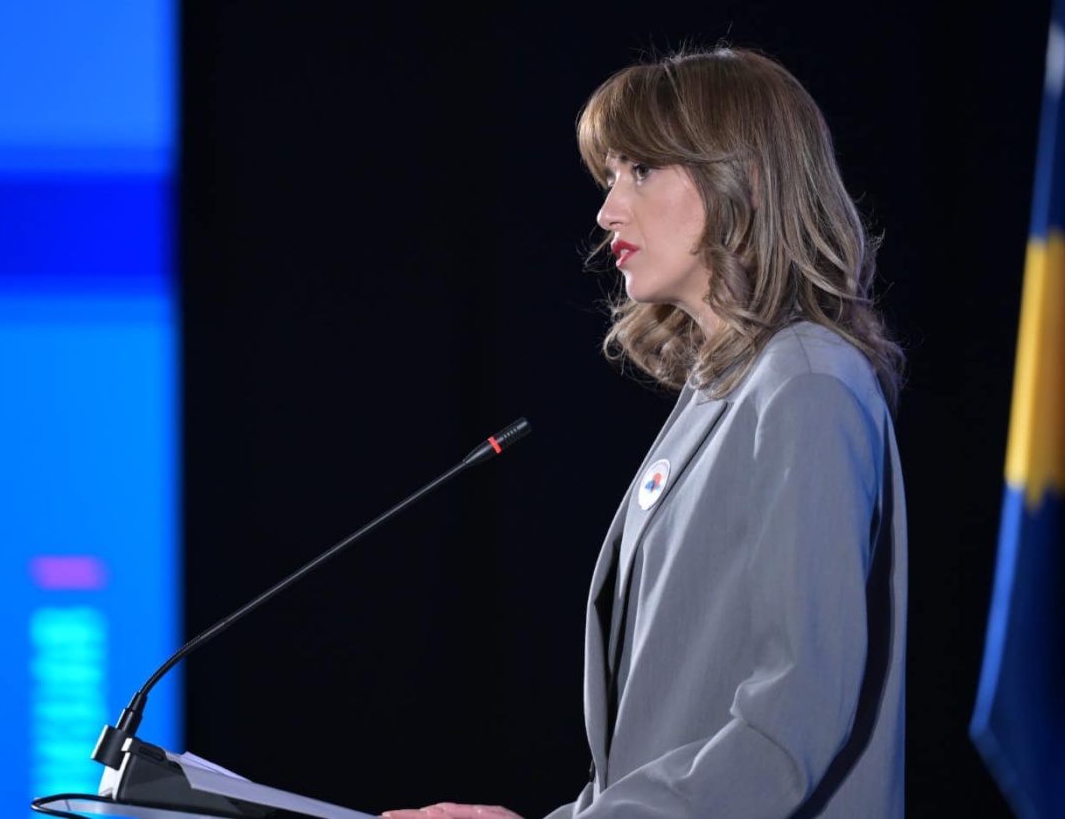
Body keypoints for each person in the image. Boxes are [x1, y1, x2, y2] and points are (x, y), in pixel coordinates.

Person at [384, 44, 908, 819]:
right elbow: (670, 741)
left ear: (746, 177)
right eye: (610, 176)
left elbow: (789, 724)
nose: (608, 212)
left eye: (642, 170)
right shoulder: (724, 386)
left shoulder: (806, 384)